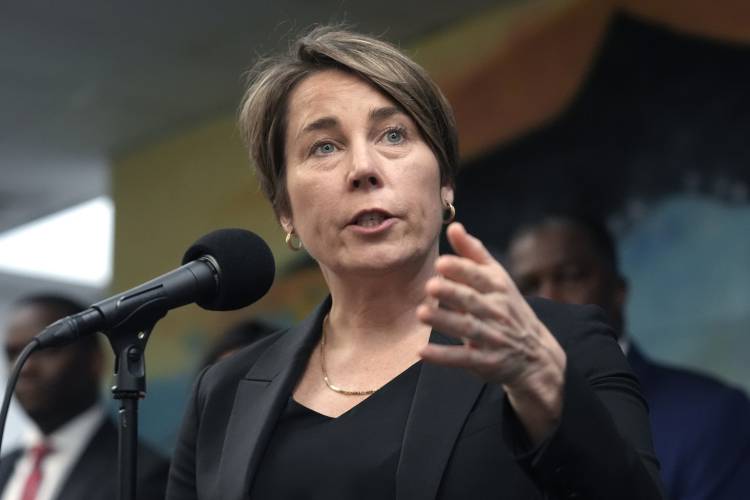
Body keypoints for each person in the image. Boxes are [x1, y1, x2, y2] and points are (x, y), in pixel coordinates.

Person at [166, 27, 664, 500]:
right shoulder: (225, 394)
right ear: (285, 212)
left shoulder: (561, 340)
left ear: (445, 183)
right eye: (324, 147)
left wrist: (545, 390)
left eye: (394, 136)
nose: (363, 169)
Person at [506, 213, 750, 500]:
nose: (548, 298)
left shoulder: (711, 416)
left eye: (570, 276)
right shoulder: (489, 426)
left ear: (619, 291)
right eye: (528, 287)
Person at [0, 294, 169, 500]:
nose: (25, 368)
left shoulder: (144, 475)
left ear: (94, 360)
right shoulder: (5, 466)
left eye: (48, 351)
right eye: (12, 353)